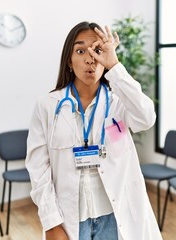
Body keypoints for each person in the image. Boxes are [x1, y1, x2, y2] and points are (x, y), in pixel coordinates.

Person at [25, 21, 162, 240]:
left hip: (115, 216)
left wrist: (115, 66)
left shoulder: (119, 102)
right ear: (69, 61)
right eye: (80, 51)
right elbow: (38, 168)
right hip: (71, 218)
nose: (90, 59)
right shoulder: (48, 106)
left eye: (97, 51)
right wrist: (51, 223)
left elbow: (146, 118)